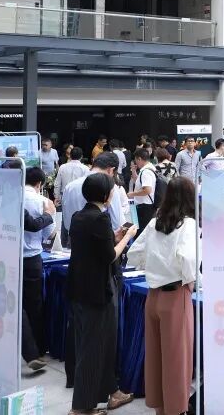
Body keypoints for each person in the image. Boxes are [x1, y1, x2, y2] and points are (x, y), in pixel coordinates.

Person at [126, 176, 198, 415]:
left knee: (156, 358)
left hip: (153, 296)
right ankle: (176, 410)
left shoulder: (156, 220)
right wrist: (191, 280)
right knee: (177, 360)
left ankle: (161, 409)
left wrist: (153, 266)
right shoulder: (188, 224)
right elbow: (188, 258)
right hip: (176, 295)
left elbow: (134, 253)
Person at [68, 173, 137, 414]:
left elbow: (93, 247)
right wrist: (126, 238)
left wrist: (113, 237)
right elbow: (109, 256)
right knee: (93, 349)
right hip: (97, 293)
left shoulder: (79, 216)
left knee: (103, 345)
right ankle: (81, 408)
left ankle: (113, 391)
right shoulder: (100, 219)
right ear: (107, 195)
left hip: (81, 290)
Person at [23, 167, 55, 362]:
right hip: (32, 258)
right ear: (40, 184)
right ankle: (37, 349)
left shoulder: (10, 197)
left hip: (9, 257)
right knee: (33, 305)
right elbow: (49, 234)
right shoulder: (43, 202)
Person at [128, 149, 158, 230]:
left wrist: (132, 194)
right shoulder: (149, 168)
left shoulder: (146, 172)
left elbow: (147, 190)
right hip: (146, 205)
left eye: (136, 160)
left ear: (139, 159)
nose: (136, 163)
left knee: (141, 230)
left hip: (144, 206)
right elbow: (139, 182)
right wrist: (133, 171)